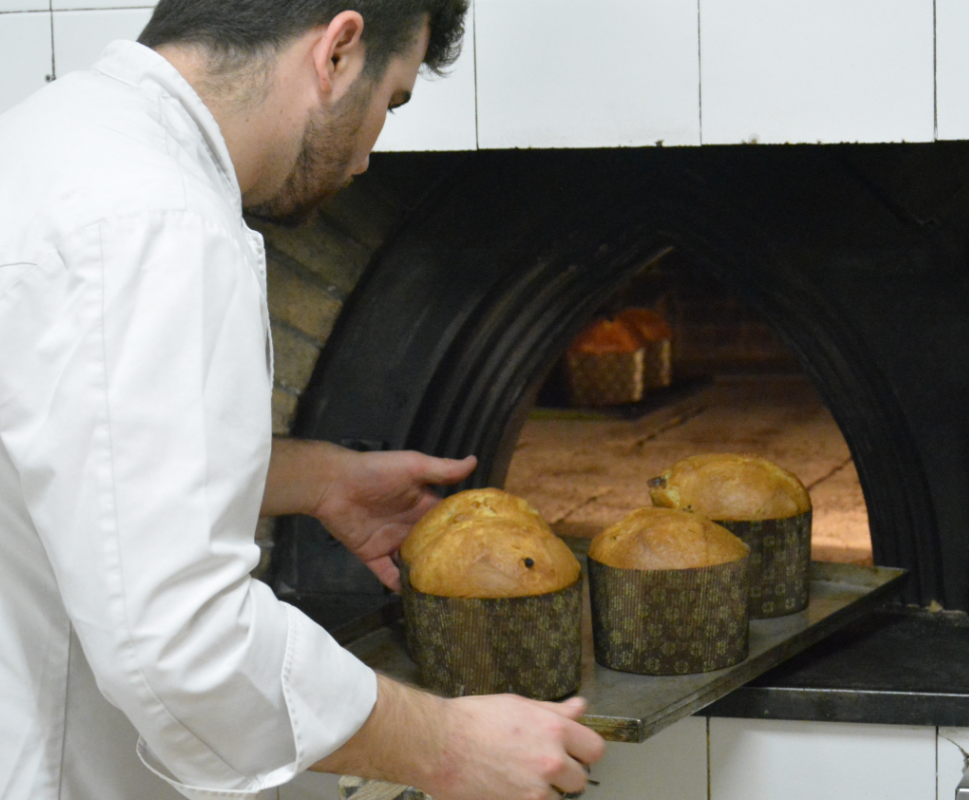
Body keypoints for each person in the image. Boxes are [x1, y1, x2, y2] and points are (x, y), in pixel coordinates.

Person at [0, 1, 605, 799]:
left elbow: (74, 463)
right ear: (339, 51)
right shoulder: (159, 223)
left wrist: (316, 479)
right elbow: (182, 647)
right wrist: (449, 746)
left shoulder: (40, 143)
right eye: (390, 102)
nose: (367, 156)